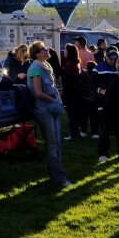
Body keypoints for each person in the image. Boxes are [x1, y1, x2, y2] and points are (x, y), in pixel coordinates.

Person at [27, 41, 70, 187]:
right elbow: (38, 93)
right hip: (44, 111)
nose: (47, 50)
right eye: (44, 49)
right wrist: (54, 100)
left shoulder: (46, 66)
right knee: (52, 144)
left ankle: (58, 173)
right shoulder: (35, 69)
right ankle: (59, 178)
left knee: (56, 143)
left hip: (52, 109)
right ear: (38, 54)